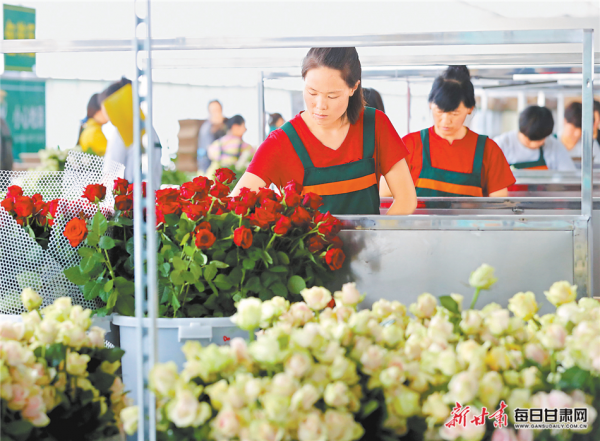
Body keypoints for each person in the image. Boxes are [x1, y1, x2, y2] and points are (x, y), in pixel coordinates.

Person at [232, 47, 416, 215]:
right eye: (312, 93)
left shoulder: (375, 124)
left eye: (332, 96)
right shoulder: (281, 142)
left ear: (353, 88)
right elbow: (234, 205)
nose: (320, 106)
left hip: (369, 242)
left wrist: (376, 237)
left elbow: (406, 200)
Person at [404, 66, 515, 197]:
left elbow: (499, 204)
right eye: (439, 111)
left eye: (454, 113)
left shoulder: (489, 151)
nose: (446, 121)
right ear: (430, 105)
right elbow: (387, 197)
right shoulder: (409, 145)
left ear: (470, 109)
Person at [99, 77, 162, 183]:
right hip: (151, 190)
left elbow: (111, 174)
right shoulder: (148, 128)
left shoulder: (122, 132)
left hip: (131, 192)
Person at [495, 106, 576, 171]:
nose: (533, 145)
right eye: (528, 141)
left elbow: (569, 176)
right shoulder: (501, 145)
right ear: (520, 130)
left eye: (539, 141)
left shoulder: (555, 146)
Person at [198, 100, 227, 173]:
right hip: (209, 167)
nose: (216, 113)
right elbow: (207, 151)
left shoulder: (226, 124)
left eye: (218, 110)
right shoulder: (206, 128)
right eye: (214, 111)